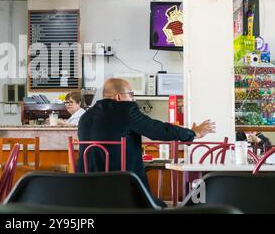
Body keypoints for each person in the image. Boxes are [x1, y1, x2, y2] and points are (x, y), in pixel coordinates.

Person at [77, 78, 216, 205]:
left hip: (88, 192)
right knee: (162, 205)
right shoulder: (125, 109)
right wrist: (193, 133)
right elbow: (157, 129)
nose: (133, 99)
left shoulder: (85, 116)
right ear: (118, 96)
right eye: (131, 94)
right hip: (123, 190)